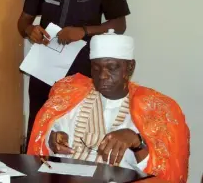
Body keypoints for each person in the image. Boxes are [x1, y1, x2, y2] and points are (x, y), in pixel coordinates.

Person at [18, 0, 132, 143]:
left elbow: (119, 24)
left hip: (86, 68)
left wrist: (84, 31)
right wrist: (30, 30)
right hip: (45, 67)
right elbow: (23, 21)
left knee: (81, 128)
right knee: (41, 124)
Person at [27, 30, 190, 183]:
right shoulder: (70, 99)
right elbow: (43, 146)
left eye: (112, 68)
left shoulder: (155, 110)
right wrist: (52, 140)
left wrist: (137, 142)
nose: (102, 76)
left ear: (130, 67)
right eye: (96, 68)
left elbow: (164, 174)